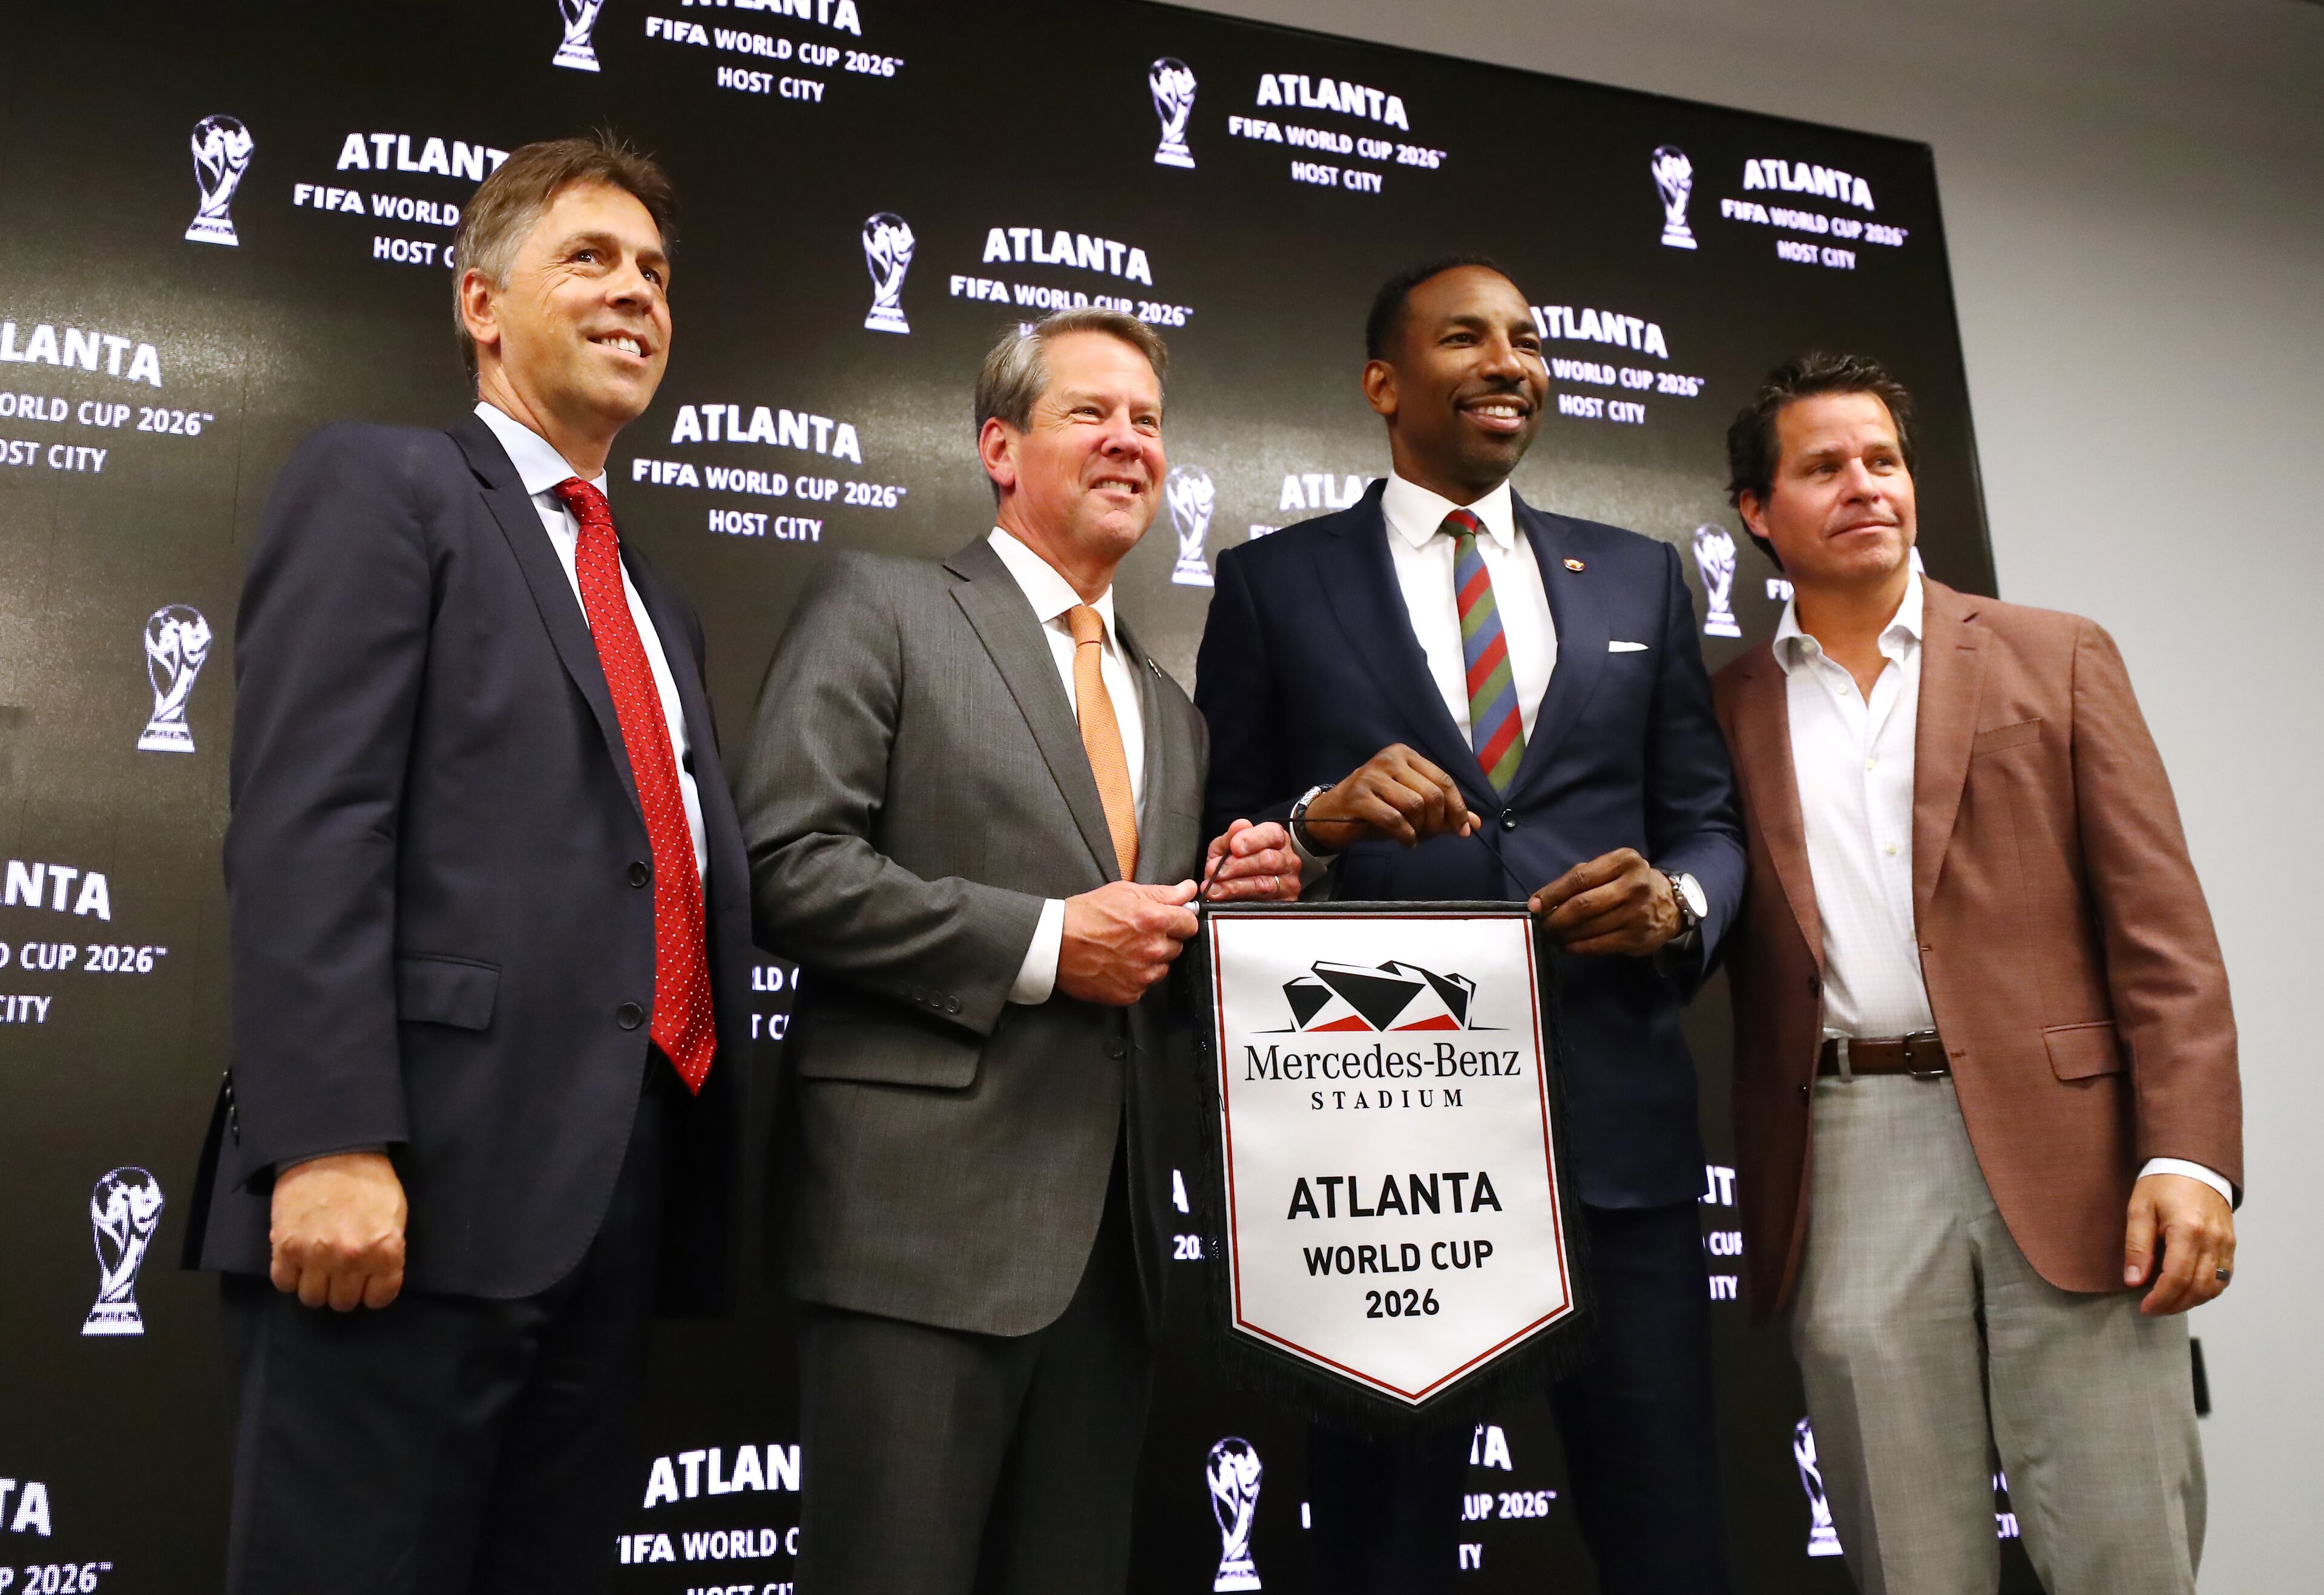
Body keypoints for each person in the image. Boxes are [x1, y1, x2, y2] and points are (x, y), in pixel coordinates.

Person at [183, 134, 753, 1595]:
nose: (636, 293)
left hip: (607, 1213)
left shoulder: (654, 597)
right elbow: (311, 821)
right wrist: (324, 1138)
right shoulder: (384, 487)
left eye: (657, 274)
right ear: (480, 306)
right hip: (402, 1198)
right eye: (591, 258)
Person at [1195, 257, 1745, 1594]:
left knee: (1669, 1544)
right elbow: (1221, 844)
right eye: (1466, 338)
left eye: (1529, 340)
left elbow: (1712, 824)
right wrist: (1319, 817)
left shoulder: (1637, 579)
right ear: (1386, 382)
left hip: (1615, 1148)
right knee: (1381, 1558)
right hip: (1384, 1164)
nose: (1511, 361)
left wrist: (1675, 903)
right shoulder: (1271, 584)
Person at [735, 308, 1300, 1595]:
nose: (1129, 444)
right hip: (916, 1240)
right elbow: (786, 866)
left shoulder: (1170, 706)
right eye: (1091, 414)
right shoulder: (881, 604)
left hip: (1114, 1257)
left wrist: (1224, 912)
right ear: (1000, 445)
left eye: (1148, 422)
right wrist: (1048, 940)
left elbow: (1145, 966)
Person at [1712, 352, 2240, 1595]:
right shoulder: (1719, 705)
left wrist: (2191, 1156)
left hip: (2075, 1151)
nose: (1865, 486)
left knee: (2128, 1546)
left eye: (1884, 460)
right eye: (1824, 466)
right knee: (1908, 1557)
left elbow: (2164, 932)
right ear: (1755, 510)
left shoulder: (2055, 655)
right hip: (1844, 1146)